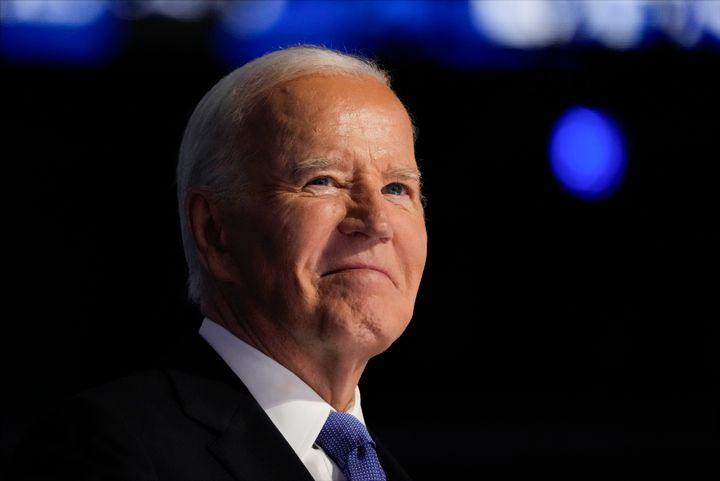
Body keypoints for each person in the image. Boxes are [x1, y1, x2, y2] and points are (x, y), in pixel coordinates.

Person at [8, 45, 427, 480]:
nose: (377, 222)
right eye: (322, 181)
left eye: (397, 189)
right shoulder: (105, 450)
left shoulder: (383, 470)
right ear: (214, 231)